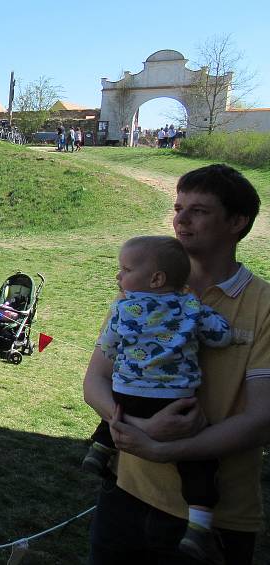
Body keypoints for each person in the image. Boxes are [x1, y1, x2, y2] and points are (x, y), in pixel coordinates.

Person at [84, 164, 268, 565]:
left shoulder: (263, 306)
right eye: (178, 207)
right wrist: (141, 430)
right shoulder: (140, 292)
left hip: (216, 519)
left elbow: (261, 419)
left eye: (198, 211)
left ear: (237, 221)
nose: (181, 220)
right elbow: (95, 380)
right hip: (125, 494)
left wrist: (166, 449)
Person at [83, 235, 232, 561]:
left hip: (128, 392)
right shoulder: (191, 306)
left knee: (117, 408)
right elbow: (221, 336)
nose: (118, 277)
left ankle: (101, 447)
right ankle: (199, 522)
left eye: (125, 269)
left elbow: (108, 347)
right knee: (198, 465)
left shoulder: (122, 308)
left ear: (156, 278)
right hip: (174, 399)